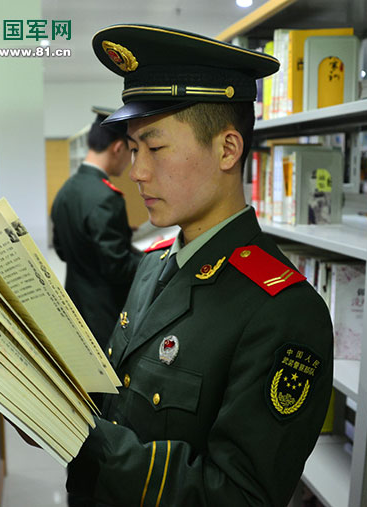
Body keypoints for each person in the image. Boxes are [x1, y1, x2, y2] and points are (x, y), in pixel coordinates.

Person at [65, 25, 334, 506]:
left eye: (155, 148)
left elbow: (238, 495)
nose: (137, 172)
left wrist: (86, 441)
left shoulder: (283, 313)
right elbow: (121, 400)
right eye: (133, 149)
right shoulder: (153, 266)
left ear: (227, 149)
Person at [51, 107, 142, 348]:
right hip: (104, 315)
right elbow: (117, 268)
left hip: (76, 306)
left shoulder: (66, 190)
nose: (130, 161)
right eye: (131, 151)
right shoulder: (106, 197)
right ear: (118, 148)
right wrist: (152, 259)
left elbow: (62, 249)